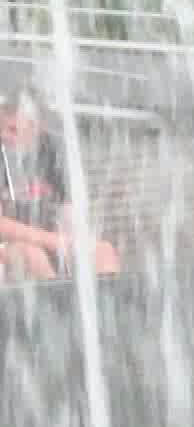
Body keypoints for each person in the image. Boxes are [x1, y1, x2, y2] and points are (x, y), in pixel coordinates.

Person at [0, 85, 120, 281]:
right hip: (9, 245)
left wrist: (76, 243)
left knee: (102, 251)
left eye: (13, 130)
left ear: (37, 128)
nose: (4, 135)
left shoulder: (54, 149)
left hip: (46, 241)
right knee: (31, 255)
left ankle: (105, 299)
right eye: (1, 127)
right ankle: (59, 299)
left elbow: (70, 212)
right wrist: (56, 241)